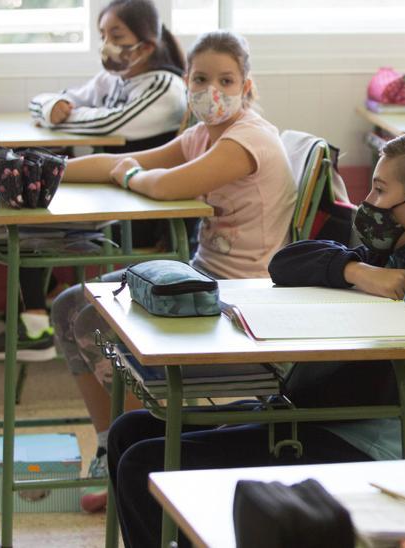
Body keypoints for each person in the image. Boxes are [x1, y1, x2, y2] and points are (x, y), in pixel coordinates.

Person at [105, 132, 405, 546]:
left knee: (145, 462)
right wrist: (356, 271)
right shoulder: (396, 253)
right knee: (130, 430)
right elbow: (287, 262)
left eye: (379, 189)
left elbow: (384, 386)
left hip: (361, 445)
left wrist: (284, 388)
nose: (366, 200)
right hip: (320, 419)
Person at [48, 30, 295, 512]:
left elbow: (163, 186)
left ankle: (147, 463)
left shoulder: (247, 139)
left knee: (93, 317)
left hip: (245, 300)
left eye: (227, 80)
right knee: (69, 306)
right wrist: (47, 168)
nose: (213, 91)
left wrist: (129, 175)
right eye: (202, 79)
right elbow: (123, 162)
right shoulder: (203, 134)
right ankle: (111, 450)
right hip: (203, 279)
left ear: (248, 86)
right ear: (187, 81)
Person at [0, 0, 189, 362]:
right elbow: (48, 101)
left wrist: (64, 116)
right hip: (110, 196)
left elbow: (109, 125)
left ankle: (36, 322)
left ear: (147, 44)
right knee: (25, 193)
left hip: (142, 215)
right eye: (102, 34)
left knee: (29, 209)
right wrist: (53, 107)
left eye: (116, 35)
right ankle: (39, 312)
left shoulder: (164, 88)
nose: (106, 44)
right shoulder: (113, 79)